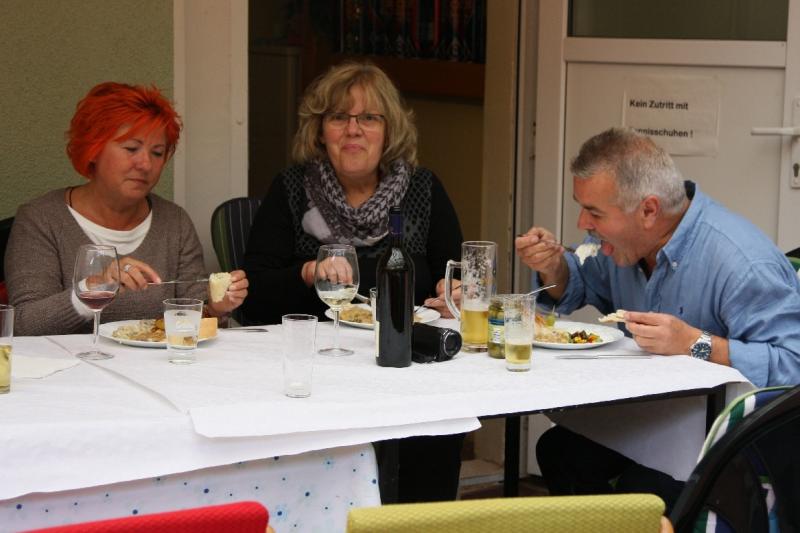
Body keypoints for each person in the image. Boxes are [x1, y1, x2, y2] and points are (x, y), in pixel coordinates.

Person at [515, 127, 800, 511]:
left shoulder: (741, 262)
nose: (583, 223)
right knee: (559, 451)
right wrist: (554, 268)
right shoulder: (624, 245)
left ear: (649, 210)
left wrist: (696, 344)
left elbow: (793, 365)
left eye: (595, 212)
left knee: (644, 489)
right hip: (655, 416)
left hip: (725, 436)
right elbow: (580, 282)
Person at [242, 61, 464, 502]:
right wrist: (306, 272)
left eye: (369, 118)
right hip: (317, 370)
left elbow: (455, 277)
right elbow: (255, 293)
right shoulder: (291, 189)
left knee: (439, 429)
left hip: (406, 366)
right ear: (320, 130)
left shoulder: (422, 189)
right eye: (339, 117)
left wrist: (451, 293)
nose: (353, 130)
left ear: (389, 130)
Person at [6, 82, 248, 336]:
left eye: (157, 153)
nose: (145, 164)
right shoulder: (41, 219)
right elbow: (24, 325)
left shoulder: (174, 221)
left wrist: (216, 308)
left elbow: (194, 319)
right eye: (131, 148)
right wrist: (94, 288)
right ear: (93, 150)